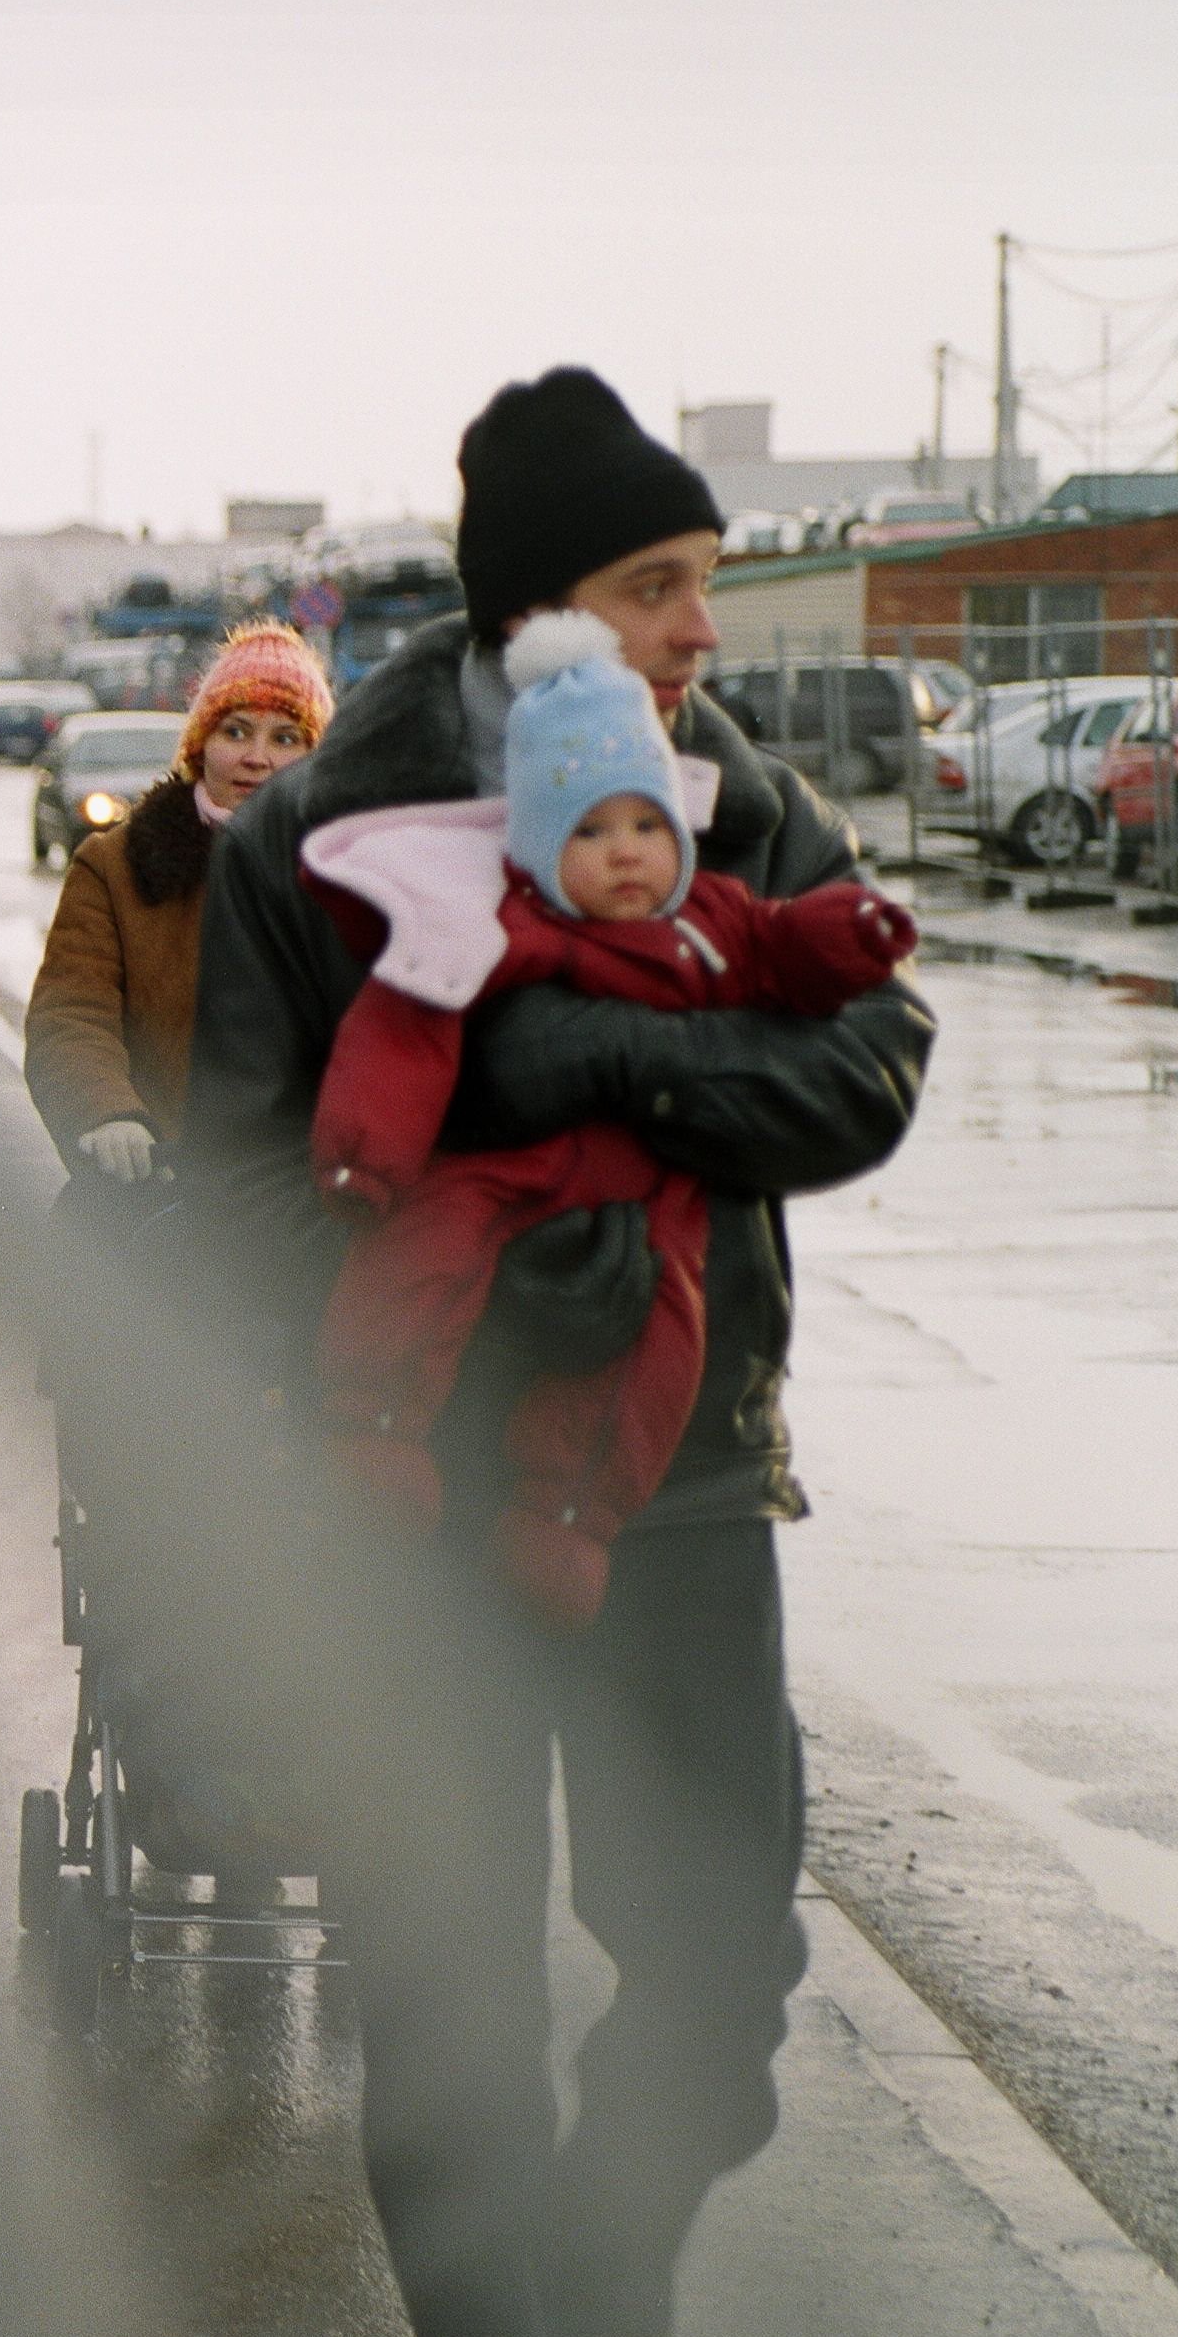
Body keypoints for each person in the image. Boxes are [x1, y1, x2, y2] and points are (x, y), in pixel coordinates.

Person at [183, 367, 935, 2337]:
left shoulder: (740, 804)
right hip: (408, 1516)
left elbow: (867, 1061)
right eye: (657, 583)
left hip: (684, 1482)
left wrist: (594, 1067)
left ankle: (613, 2262)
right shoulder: (317, 835)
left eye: (706, 577)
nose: (705, 624)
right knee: (447, 2016)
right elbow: (224, 1198)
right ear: (538, 610)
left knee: (716, 1964)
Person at [301, 627, 918, 1622]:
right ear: (542, 845)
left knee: (658, 1349)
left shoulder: (709, 917)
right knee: (415, 1261)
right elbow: (406, 1015)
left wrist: (850, 935)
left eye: (644, 823)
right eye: (587, 831)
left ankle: (567, 1512)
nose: (623, 850)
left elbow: (777, 948)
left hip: (649, 1188)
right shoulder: (504, 918)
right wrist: (363, 1153)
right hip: (508, 1166)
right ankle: (370, 1428)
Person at [25, 622, 331, 1176]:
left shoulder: (349, 877)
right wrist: (110, 1116)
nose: (256, 758)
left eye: (285, 738)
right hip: (166, 1181)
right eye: (235, 732)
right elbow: (70, 1014)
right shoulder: (115, 867)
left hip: (305, 1201)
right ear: (200, 746)